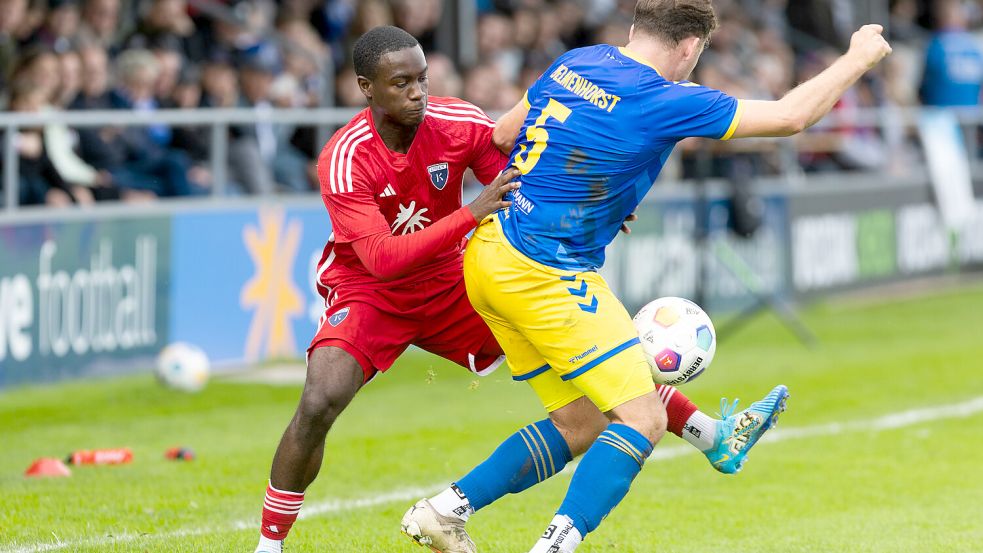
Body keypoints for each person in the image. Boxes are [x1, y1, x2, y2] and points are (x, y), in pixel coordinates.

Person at [254, 24, 778, 553]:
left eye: (423, 79)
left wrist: (587, 204)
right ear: (366, 87)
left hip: (455, 283)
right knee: (320, 399)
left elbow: (525, 175)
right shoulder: (344, 157)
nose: (418, 93)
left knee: (586, 374)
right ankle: (269, 544)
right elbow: (382, 260)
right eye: (400, 83)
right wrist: (469, 213)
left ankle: (711, 436)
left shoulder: (455, 122)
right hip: (370, 291)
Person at [402, 1, 891, 552]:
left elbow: (503, 136)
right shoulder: (668, 98)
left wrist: (592, 181)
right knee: (642, 419)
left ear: (635, 30)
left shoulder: (577, 60)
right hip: (544, 269)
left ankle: (445, 511)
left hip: (491, 253)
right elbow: (789, 117)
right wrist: (857, 58)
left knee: (580, 424)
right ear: (690, 48)